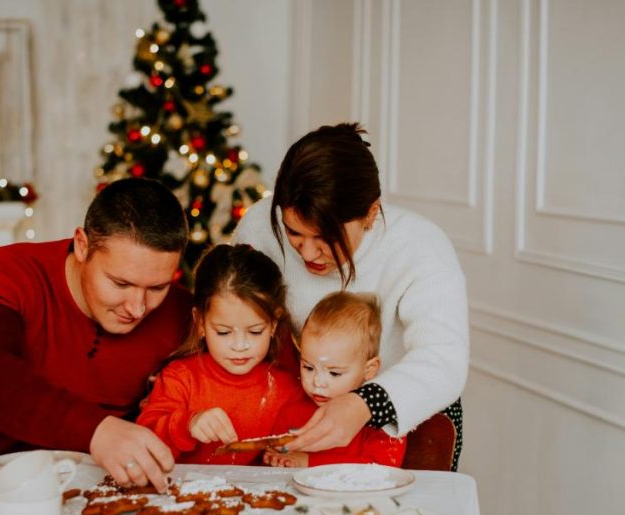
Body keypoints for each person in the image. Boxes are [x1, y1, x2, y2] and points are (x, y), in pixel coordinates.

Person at [232, 123, 469, 470]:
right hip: (311, 395)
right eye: (295, 232)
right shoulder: (259, 227)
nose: (308, 253)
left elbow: (444, 359)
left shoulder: (421, 245)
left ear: (371, 213)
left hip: (408, 408)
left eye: (325, 237)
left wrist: (364, 404)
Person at [0, 178, 191, 491]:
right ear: (82, 246)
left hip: (101, 495)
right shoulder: (1, 271)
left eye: (157, 288)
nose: (138, 308)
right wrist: (97, 431)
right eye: (120, 284)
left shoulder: (181, 311)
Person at [137, 243, 305, 464]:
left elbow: (301, 444)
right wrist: (188, 424)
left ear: (274, 323)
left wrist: (291, 457)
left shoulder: (287, 389)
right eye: (224, 332)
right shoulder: (180, 378)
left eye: (255, 331)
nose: (239, 345)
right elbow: (142, 440)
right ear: (200, 323)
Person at [264, 291, 405, 468]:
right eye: (308, 367)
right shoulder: (292, 411)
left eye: (334, 373)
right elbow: (275, 452)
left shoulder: (379, 416)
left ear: (369, 369)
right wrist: (276, 458)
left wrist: (309, 461)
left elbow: (383, 467)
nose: (318, 382)